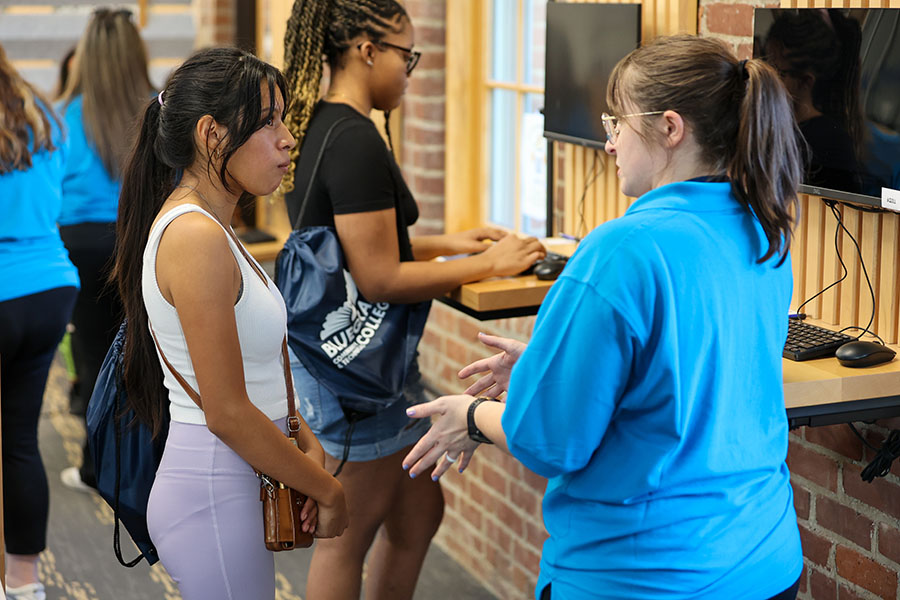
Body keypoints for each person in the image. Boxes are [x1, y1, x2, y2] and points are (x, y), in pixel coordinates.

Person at [404, 35, 805, 600]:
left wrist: (470, 416)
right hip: (765, 562)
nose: (610, 143)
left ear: (670, 128)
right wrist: (553, 367)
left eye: (617, 123)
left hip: (643, 577)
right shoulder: (766, 231)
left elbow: (551, 442)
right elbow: (688, 375)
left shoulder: (623, 249)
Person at [279, 2, 545, 598]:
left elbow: (357, 245)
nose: (410, 70)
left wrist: (452, 244)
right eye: (406, 55)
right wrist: (487, 264)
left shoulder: (327, 123)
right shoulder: (355, 140)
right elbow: (375, 277)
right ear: (366, 50)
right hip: (354, 372)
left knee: (419, 512)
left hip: (360, 362)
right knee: (348, 536)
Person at [112, 47, 348, 600]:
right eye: (268, 122)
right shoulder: (194, 237)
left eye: (283, 119)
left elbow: (256, 376)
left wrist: (304, 447)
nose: (287, 137)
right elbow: (226, 411)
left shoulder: (214, 225)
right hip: (213, 489)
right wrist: (329, 490)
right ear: (211, 134)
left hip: (232, 481)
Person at [57, 7, 154, 492]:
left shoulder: (63, 117)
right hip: (140, 236)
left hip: (80, 243)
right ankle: (152, 461)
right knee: (147, 348)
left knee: (94, 350)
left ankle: (98, 468)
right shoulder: (162, 110)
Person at [0, 43, 80, 600]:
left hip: (6, 287)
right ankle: (25, 585)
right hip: (52, 285)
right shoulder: (41, 114)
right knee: (20, 441)